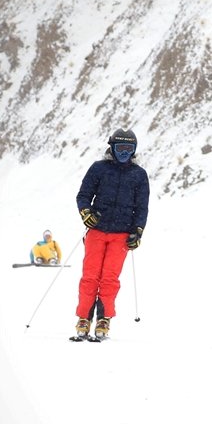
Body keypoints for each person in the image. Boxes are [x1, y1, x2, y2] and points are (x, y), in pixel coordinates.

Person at [73, 128, 149, 340]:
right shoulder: (99, 169)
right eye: (120, 148)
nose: (124, 152)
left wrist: (137, 230)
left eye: (128, 149)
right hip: (97, 230)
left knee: (109, 278)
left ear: (134, 150)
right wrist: (85, 212)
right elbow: (84, 195)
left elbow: (142, 208)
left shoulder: (139, 175)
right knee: (90, 277)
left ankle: (104, 318)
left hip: (121, 235)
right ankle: (84, 318)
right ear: (111, 148)